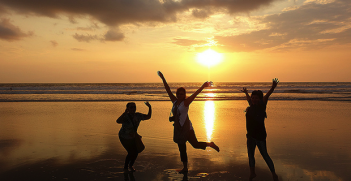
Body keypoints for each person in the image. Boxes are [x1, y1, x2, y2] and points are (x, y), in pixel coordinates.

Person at [158, 71, 220, 174]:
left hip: (187, 128)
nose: (180, 95)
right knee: (182, 149)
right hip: (178, 129)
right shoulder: (174, 101)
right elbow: (167, 89)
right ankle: (185, 168)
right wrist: (163, 78)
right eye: (178, 93)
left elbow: (195, 94)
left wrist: (203, 86)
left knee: (195, 145)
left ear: (184, 95)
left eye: (182, 94)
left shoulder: (186, 102)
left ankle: (210, 144)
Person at [241, 78, 280, 181]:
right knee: (250, 155)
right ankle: (252, 173)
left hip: (260, 136)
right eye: (253, 98)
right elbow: (248, 98)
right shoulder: (251, 105)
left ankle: (274, 174)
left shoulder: (262, 106)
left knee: (265, 155)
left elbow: (267, 95)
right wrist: (246, 93)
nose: (254, 99)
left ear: (260, 99)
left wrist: (273, 87)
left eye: (256, 98)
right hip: (250, 136)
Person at [116, 101, 152, 173]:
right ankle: (125, 168)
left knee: (136, 152)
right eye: (131, 107)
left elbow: (148, 117)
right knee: (131, 152)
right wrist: (124, 113)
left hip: (132, 137)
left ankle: (130, 165)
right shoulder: (125, 116)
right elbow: (118, 121)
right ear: (128, 108)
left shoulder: (138, 115)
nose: (133, 108)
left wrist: (150, 107)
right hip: (123, 137)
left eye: (134, 107)